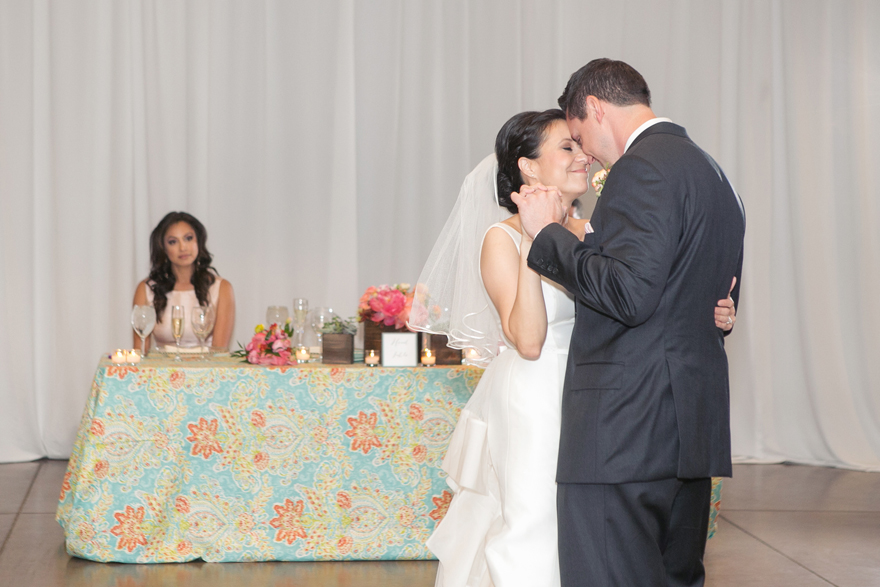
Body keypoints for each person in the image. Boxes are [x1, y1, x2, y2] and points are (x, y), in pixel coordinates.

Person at [410, 110, 737, 587]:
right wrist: (534, 239)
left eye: (580, 146)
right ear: (527, 167)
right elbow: (527, 339)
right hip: (536, 398)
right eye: (567, 148)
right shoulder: (500, 239)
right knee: (537, 523)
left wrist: (714, 308)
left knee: (598, 536)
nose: (583, 156)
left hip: (604, 397)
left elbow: (639, 298)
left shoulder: (600, 228)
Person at [513, 59, 745, 586]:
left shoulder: (642, 167)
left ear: (594, 107)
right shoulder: (711, 170)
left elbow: (629, 293)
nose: (586, 153)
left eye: (578, 135)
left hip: (624, 433)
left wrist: (550, 236)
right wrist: (723, 319)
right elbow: (718, 294)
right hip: (687, 435)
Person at [132, 211, 235, 351]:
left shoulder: (221, 288)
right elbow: (140, 352)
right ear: (163, 248)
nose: (182, 247)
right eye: (173, 242)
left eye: (188, 238)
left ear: (198, 240)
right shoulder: (147, 289)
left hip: (207, 371)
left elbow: (219, 353)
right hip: (161, 371)